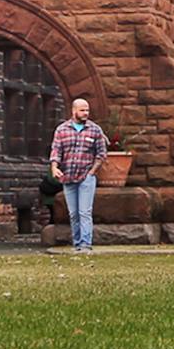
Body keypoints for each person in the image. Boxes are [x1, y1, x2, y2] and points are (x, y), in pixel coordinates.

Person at [49, 97, 109, 254]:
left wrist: (92, 172)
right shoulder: (62, 130)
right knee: (74, 213)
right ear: (74, 110)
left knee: (85, 211)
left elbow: (101, 154)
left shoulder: (95, 130)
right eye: (82, 110)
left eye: (87, 110)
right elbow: (56, 151)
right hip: (68, 176)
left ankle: (85, 244)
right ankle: (77, 244)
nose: (86, 113)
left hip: (86, 177)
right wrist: (54, 168)